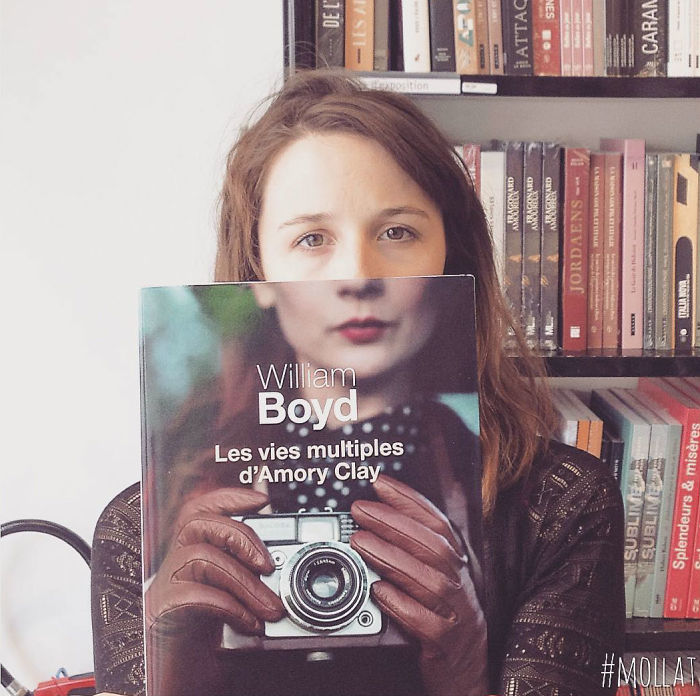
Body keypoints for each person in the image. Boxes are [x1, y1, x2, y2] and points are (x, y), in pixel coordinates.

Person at [92, 70, 625, 696]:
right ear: (257, 276)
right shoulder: (141, 530)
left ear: (450, 258)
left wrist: (463, 674)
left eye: (398, 232)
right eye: (311, 238)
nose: (357, 274)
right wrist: (173, 672)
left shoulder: (561, 505)